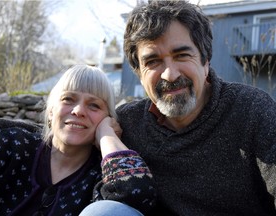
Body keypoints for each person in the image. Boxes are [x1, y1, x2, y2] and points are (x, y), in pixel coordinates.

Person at [115, 0, 276, 215]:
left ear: (205, 60)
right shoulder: (127, 124)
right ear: (139, 73)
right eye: (153, 61)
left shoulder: (253, 110)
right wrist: (106, 135)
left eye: (182, 55)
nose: (170, 75)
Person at [0, 65, 156, 216]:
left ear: (108, 119)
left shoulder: (101, 176)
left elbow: (136, 194)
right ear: (52, 110)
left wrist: (106, 135)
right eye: (68, 99)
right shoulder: (15, 145)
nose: (78, 111)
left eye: (94, 105)